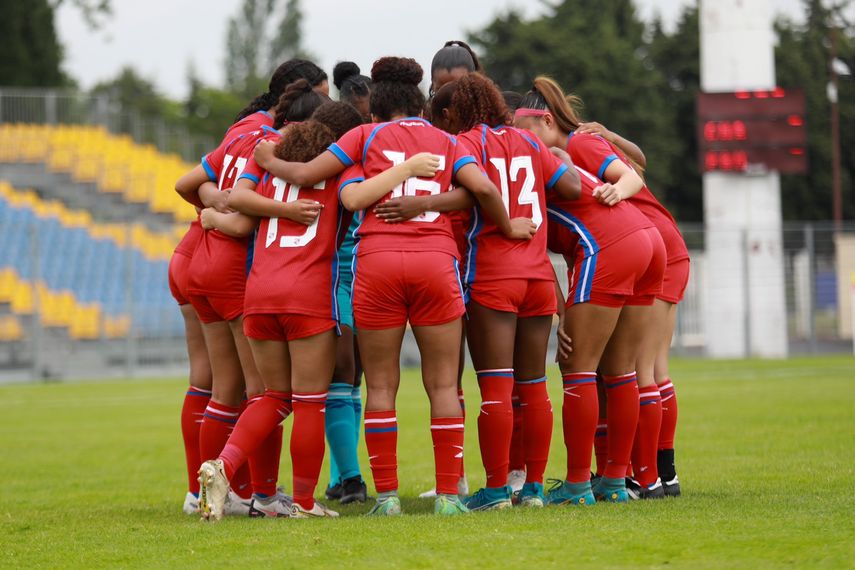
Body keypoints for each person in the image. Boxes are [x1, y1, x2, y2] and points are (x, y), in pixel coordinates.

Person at [252, 56, 536, 516]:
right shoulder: (445, 139)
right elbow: (483, 189)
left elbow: (323, 184)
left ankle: (386, 498)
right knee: (443, 385)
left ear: (377, 107)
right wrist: (502, 223)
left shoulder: (363, 137)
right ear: (419, 103)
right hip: (435, 263)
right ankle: (448, 496)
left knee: (381, 387)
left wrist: (266, 158)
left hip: (377, 264)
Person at [196, 102, 439, 521]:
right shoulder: (341, 173)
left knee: (273, 396)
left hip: (259, 294)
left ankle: (223, 466)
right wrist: (408, 168)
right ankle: (305, 503)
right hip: (308, 296)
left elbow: (237, 197)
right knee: (309, 402)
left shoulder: (266, 166)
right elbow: (360, 195)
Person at [393, 73, 579, 510]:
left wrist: (423, 204)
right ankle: (533, 489)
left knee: (495, 389)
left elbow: (476, 191)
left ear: (457, 111)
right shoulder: (529, 141)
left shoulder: (466, 142)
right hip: (539, 276)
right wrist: (558, 155)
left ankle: (496, 490)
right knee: (534, 387)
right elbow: (571, 187)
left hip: (495, 276)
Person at [171, 58, 326, 516]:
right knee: (265, 394)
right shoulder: (280, 148)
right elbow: (243, 221)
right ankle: (262, 494)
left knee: (218, 387)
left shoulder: (242, 132)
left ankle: (201, 492)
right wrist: (236, 212)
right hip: (235, 270)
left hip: (197, 260)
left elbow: (187, 183)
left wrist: (211, 205)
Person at [515, 76, 681, 501]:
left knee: (577, 368)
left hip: (613, 245)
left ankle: (576, 484)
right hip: (648, 241)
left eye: (525, 131)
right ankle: (617, 481)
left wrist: (562, 312)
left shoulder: (564, 153)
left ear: (546, 122)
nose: (521, 141)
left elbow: (630, 176)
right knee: (622, 372)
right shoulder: (556, 156)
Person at [324, 60, 373, 505]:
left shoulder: (374, 156)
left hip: (368, 275)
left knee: (353, 377)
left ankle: (343, 476)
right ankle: (351, 478)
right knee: (342, 374)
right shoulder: (332, 161)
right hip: (336, 278)